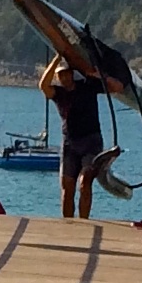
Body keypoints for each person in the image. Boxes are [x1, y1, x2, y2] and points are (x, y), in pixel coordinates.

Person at [39, 54, 112, 218]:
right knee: (67, 187)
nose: (64, 78)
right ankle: (68, 224)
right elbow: (43, 85)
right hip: (70, 144)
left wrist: (91, 70)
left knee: (85, 183)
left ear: (72, 74)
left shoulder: (87, 86)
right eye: (61, 75)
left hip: (91, 141)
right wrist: (56, 59)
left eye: (67, 74)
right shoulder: (58, 93)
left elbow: (107, 84)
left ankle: (84, 222)